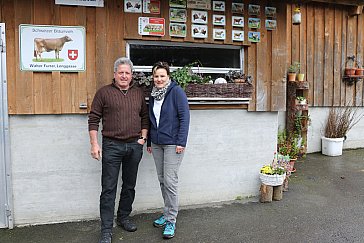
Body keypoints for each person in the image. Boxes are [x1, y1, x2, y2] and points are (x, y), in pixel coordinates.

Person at [88, 57, 149, 243]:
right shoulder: (104, 93)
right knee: (108, 188)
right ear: (114, 74)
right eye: (120, 72)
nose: (124, 76)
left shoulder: (138, 93)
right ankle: (106, 229)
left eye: (127, 73)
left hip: (134, 146)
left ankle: (124, 217)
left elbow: (145, 118)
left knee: (129, 186)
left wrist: (143, 138)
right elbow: (93, 119)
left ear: (132, 76)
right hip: (111, 145)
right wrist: (94, 144)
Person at [147, 61, 190, 239]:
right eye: (156, 76)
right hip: (157, 143)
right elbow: (151, 120)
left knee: (170, 181)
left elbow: (184, 117)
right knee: (162, 179)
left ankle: (171, 219)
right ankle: (166, 212)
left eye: (162, 76)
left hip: (173, 143)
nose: (159, 79)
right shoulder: (153, 94)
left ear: (168, 77)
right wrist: (149, 141)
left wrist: (181, 142)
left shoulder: (176, 92)